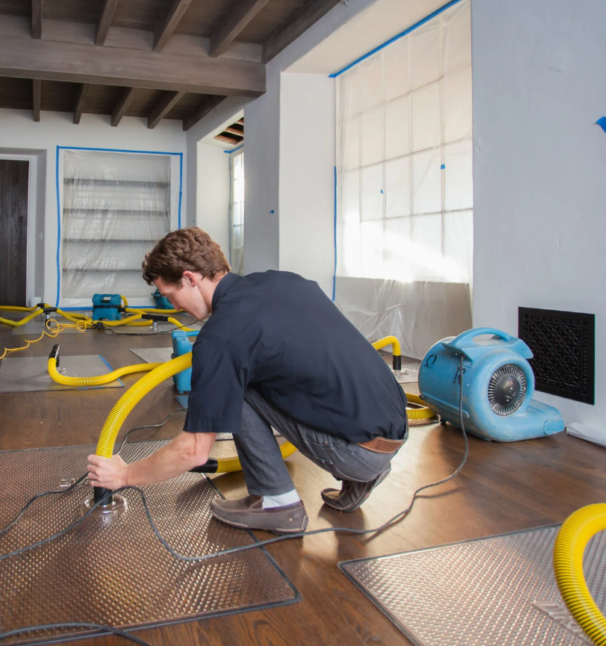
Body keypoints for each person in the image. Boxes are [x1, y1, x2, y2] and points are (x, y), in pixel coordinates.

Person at [87, 228, 408, 533]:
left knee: (235, 384)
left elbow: (193, 452)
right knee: (256, 371)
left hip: (359, 453)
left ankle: (277, 503)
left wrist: (125, 475)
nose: (174, 306)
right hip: (396, 427)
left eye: (171, 295)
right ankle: (365, 475)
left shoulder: (221, 336)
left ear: (189, 278)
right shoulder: (286, 281)